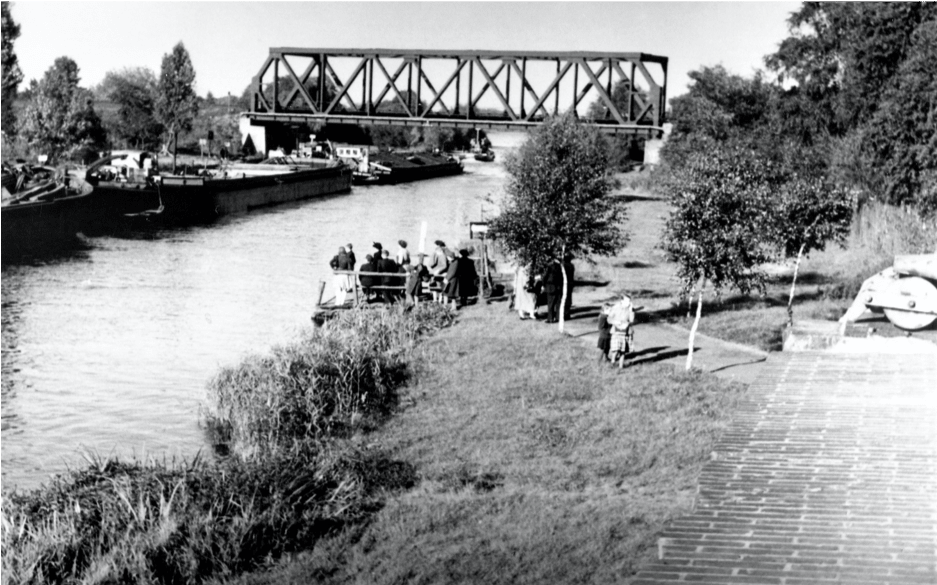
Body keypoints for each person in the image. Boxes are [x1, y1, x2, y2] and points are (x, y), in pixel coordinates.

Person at [607, 295, 636, 368]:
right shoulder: (615, 308)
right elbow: (609, 319)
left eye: (629, 301)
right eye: (627, 301)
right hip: (616, 331)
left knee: (623, 351)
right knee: (616, 349)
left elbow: (631, 320)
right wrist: (615, 322)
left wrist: (631, 310)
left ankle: (621, 366)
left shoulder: (630, 309)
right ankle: (613, 361)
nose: (629, 302)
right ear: (622, 301)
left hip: (625, 332)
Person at [543, 257, 564, 323]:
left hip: (550, 287)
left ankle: (550, 318)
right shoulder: (561, 267)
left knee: (550, 304)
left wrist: (544, 285)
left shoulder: (549, 267)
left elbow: (544, 277)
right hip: (558, 287)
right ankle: (558, 318)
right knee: (558, 304)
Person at [563, 254, 575, 320]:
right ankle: (567, 313)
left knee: (564, 299)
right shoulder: (571, 266)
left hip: (565, 284)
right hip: (570, 284)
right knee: (568, 299)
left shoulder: (563, 266)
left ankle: (564, 314)